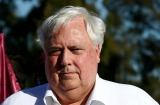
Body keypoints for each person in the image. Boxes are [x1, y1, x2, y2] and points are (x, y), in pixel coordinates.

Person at [1, 6, 159, 105]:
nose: (65, 60)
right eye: (55, 51)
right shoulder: (17, 102)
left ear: (97, 52)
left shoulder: (133, 101)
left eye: (75, 49)